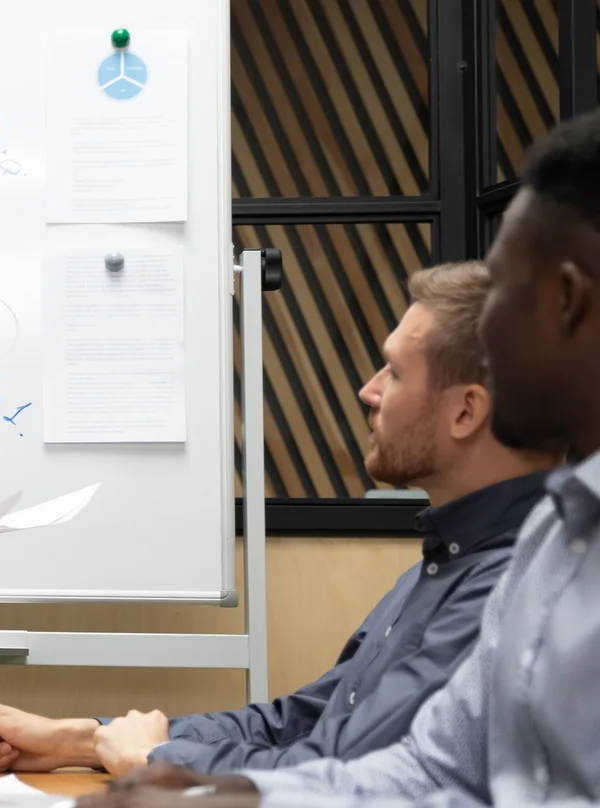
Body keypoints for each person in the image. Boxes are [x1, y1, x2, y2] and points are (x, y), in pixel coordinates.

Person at [79, 107, 600, 808]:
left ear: (566, 301)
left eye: (503, 289)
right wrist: (228, 796)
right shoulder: (556, 534)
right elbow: (432, 769)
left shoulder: (523, 547)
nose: (366, 391)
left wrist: (172, 765)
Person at [0, 262, 558, 777]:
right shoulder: (444, 562)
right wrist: (84, 738)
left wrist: (155, 757)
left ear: (465, 413)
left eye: (395, 373)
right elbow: (302, 720)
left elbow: (334, 770)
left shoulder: (511, 586)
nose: (368, 391)